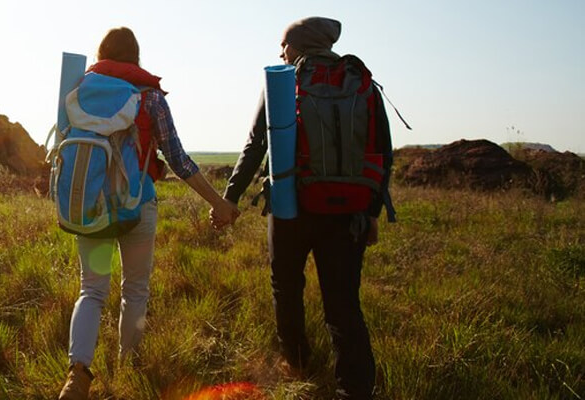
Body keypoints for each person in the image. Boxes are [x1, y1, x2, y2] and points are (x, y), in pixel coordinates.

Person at [58, 27, 240, 400]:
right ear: (135, 58)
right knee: (134, 290)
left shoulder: (78, 91)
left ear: (102, 54)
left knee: (91, 290)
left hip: (89, 207)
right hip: (137, 208)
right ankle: (130, 365)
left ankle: (78, 373)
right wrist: (216, 201)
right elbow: (178, 159)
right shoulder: (150, 97)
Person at [219, 17, 394, 400]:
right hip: (349, 212)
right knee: (343, 301)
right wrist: (373, 211)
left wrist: (230, 198)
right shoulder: (361, 83)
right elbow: (383, 151)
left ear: (297, 47)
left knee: (287, 286)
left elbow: (255, 145)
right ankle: (356, 387)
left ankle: (297, 362)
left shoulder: (283, 82)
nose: (280, 52)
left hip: (291, 208)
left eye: (283, 45)